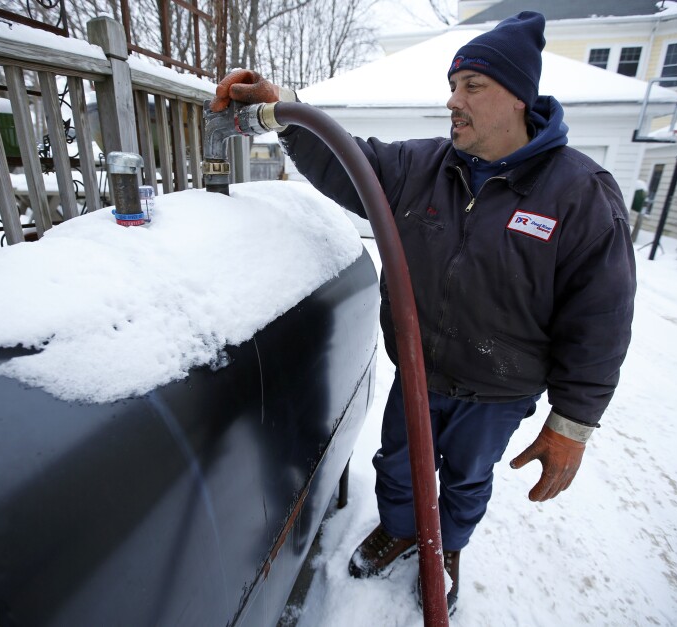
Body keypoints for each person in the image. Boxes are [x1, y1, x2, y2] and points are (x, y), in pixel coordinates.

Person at [211, 11, 636, 616]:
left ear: (518, 97)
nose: (453, 101)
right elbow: (345, 161)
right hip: (420, 371)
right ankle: (405, 529)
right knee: (399, 464)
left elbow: (602, 320)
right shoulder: (424, 168)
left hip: (500, 389)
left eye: (472, 87)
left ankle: (449, 546)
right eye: (453, 85)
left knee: (466, 477)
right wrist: (285, 107)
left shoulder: (580, 195)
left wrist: (572, 427)